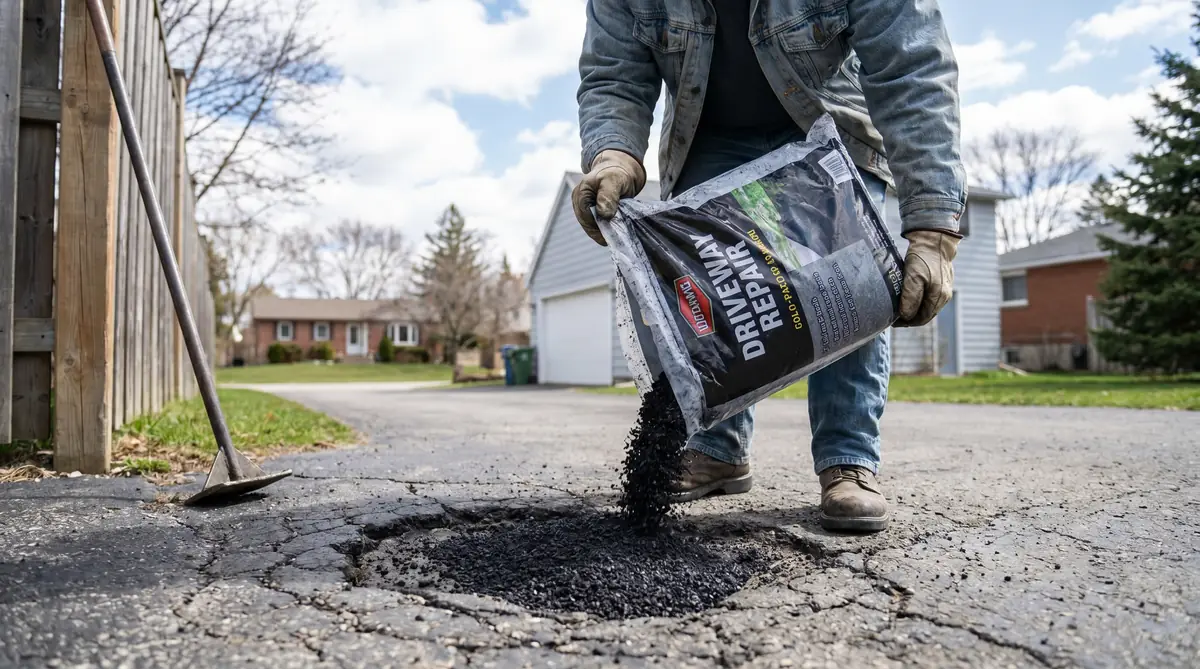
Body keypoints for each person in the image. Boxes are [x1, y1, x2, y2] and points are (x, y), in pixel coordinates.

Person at [571, 0, 965, 533]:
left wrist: (933, 228)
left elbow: (912, 66)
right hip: (707, 138)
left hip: (823, 123)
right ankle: (717, 449)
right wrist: (614, 154)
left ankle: (848, 461)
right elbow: (613, 74)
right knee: (709, 287)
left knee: (847, 279)